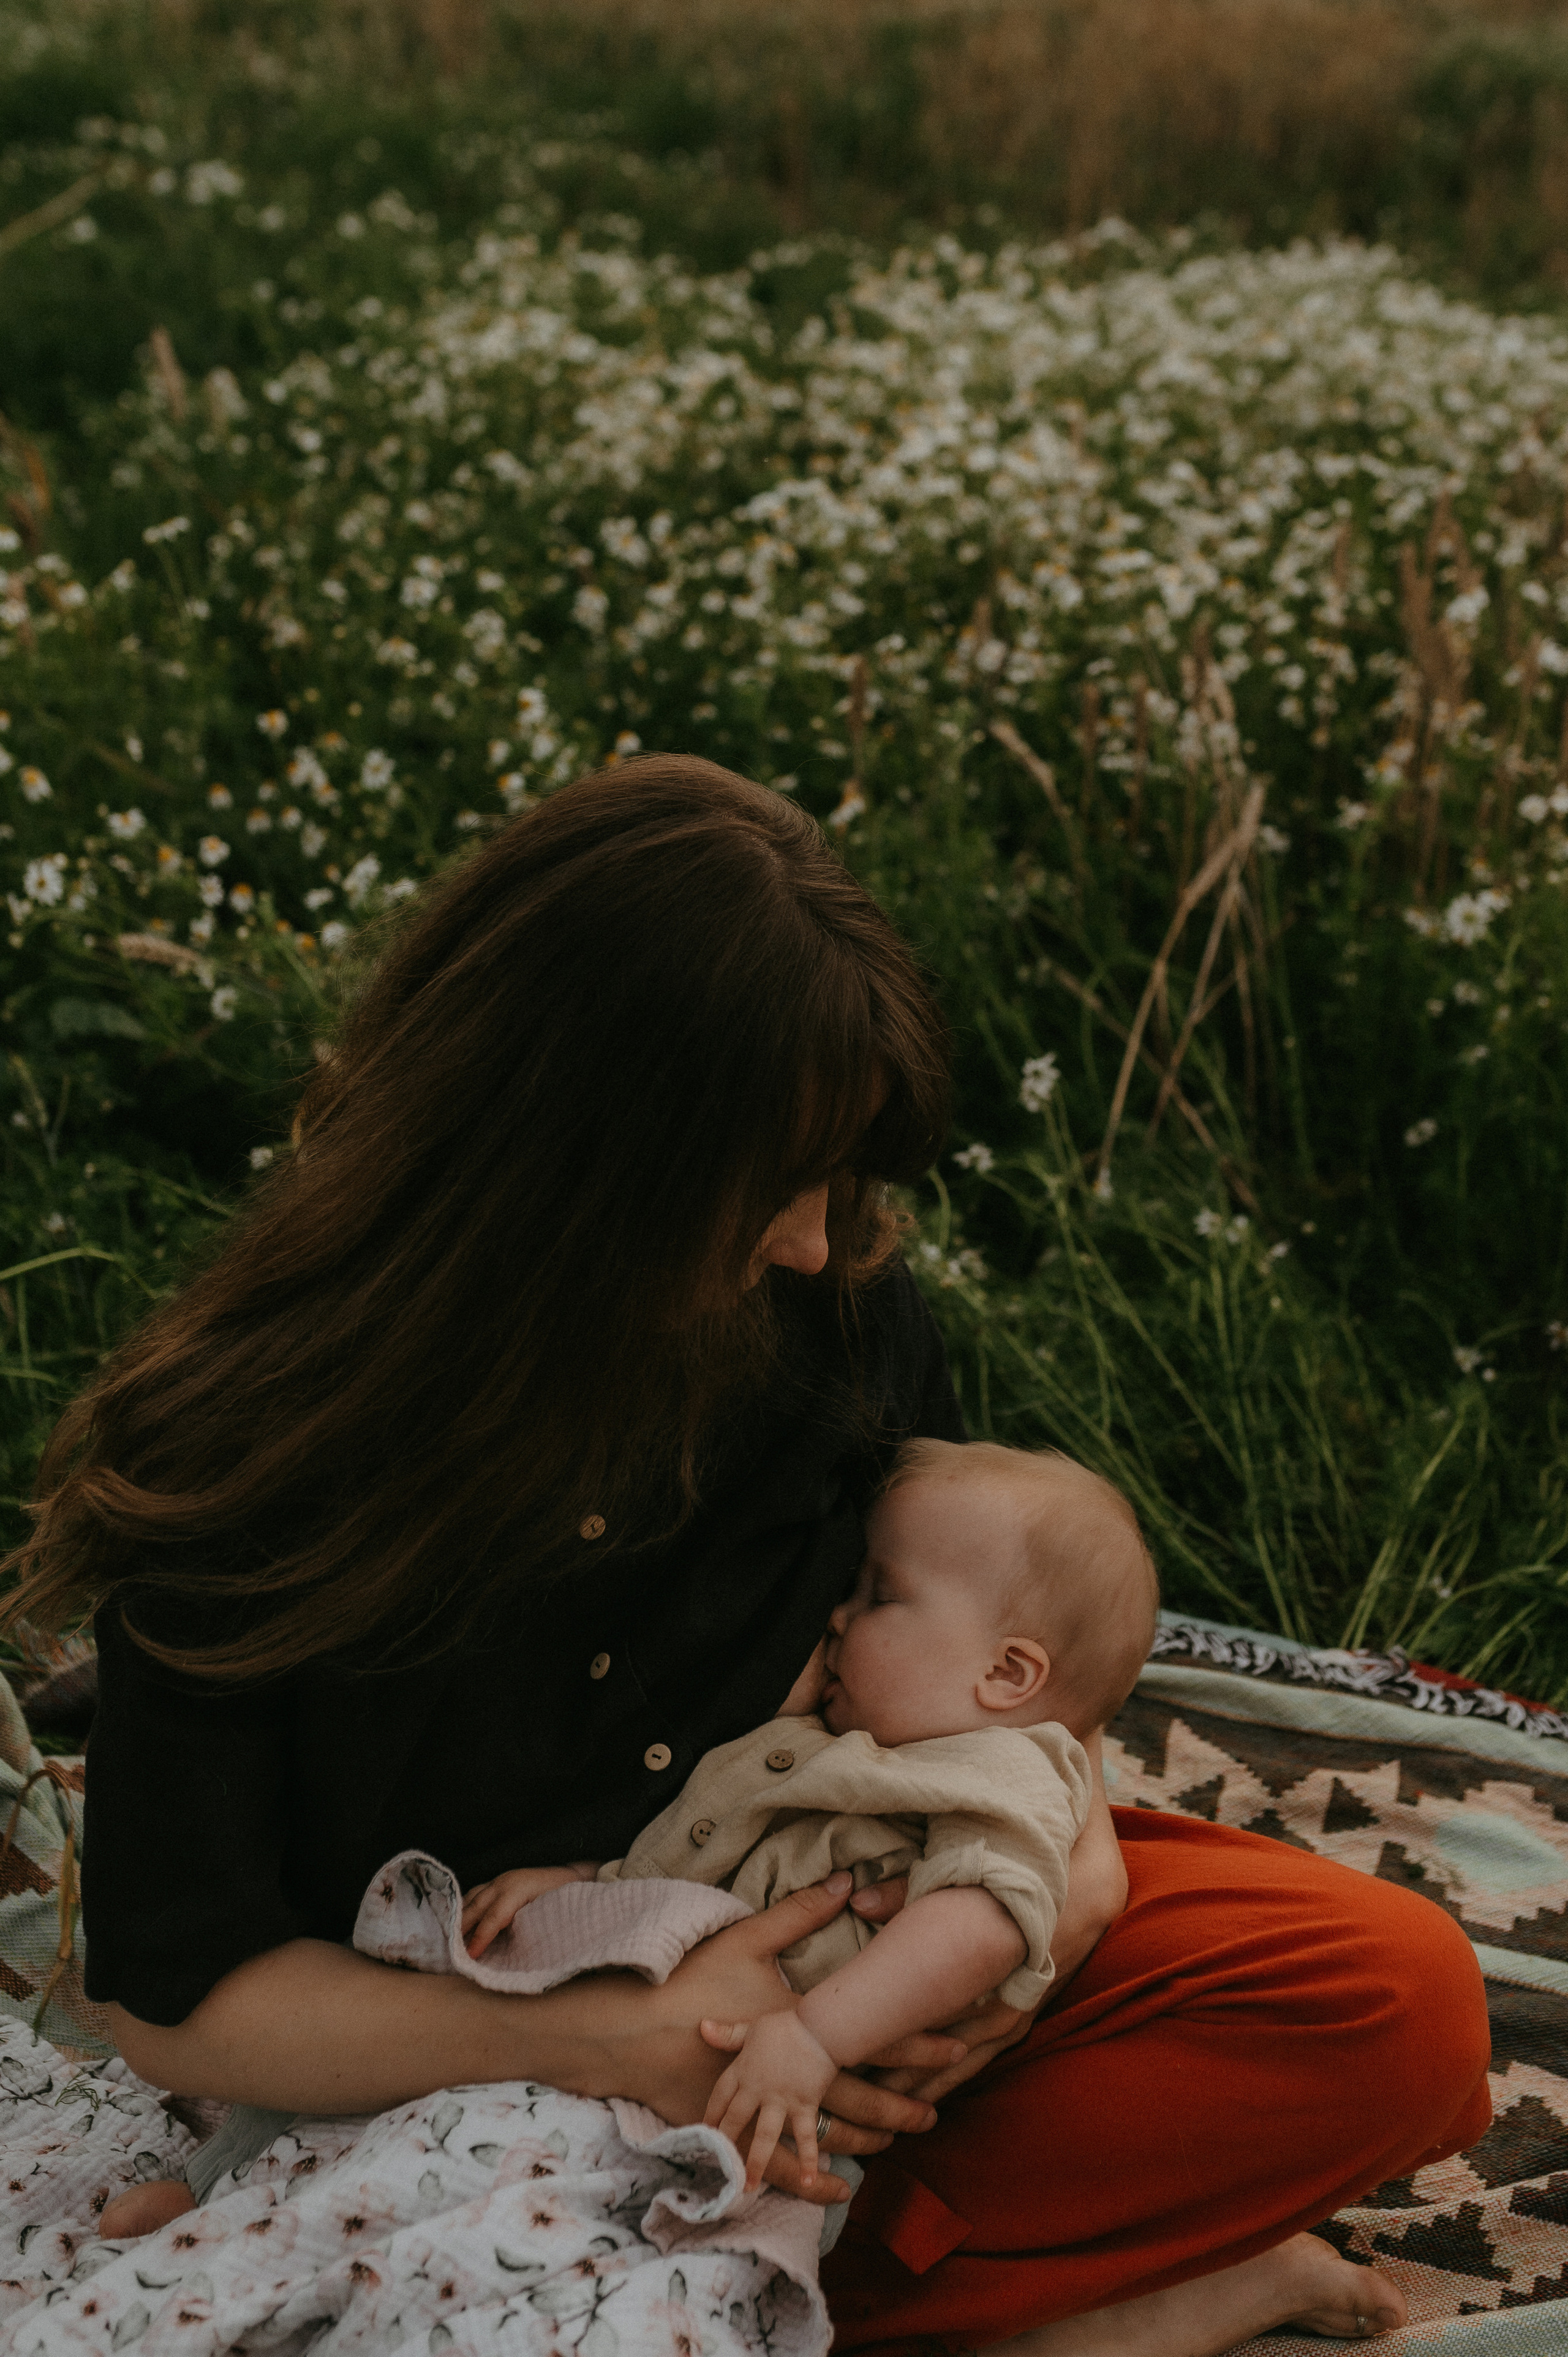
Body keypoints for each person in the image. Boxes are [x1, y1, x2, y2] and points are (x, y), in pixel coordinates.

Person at [6, 757, 1491, 2354]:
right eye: (768, 1182)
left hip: (854, 1919)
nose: (811, 1235)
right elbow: (178, 1994)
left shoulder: (829, 1318)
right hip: (476, 2072)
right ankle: (962, 2297)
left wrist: (1058, 1893)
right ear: (565, 1157)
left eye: (831, 1178)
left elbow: (1007, 1697)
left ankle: (824, 2266)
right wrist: (618, 2041)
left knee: (1397, 2000)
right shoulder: (254, 1449)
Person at [459, 1439, 1153, 2198]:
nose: (834, 1615)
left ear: (1005, 1673)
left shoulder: (1001, 1771)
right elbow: (706, 1847)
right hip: (646, 2033)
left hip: (773, 2098)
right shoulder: (836, 1746)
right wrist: (578, 1885)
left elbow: (986, 1922)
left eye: (877, 1595)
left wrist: (816, 2034)